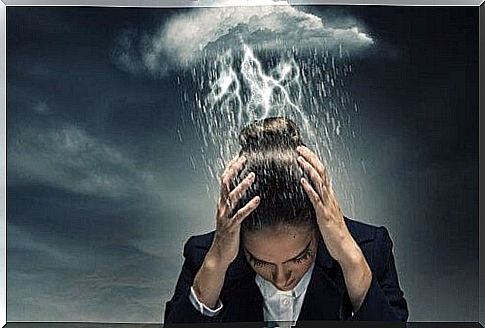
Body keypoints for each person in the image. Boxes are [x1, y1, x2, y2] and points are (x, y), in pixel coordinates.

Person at [164, 117, 408, 325]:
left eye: (300, 257)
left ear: (319, 224)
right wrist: (216, 262)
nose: (281, 279)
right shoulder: (205, 257)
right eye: (259, 262)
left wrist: (349, 257)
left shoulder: (370, 249)